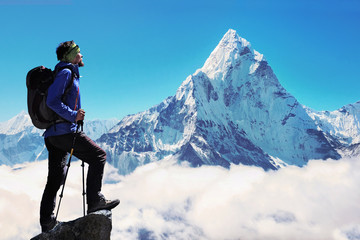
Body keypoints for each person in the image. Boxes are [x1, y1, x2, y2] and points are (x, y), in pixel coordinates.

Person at [39, 41, 119, 232]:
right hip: (65, 131)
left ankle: (47, 222)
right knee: (99, 156)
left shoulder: (65, 72)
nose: (82, 55)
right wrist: (73, 115)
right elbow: (52, 101)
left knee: (56, 177)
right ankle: (95, 201)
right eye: (78, 52)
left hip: (53, 135)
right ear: (70, 56)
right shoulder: (66, 73)